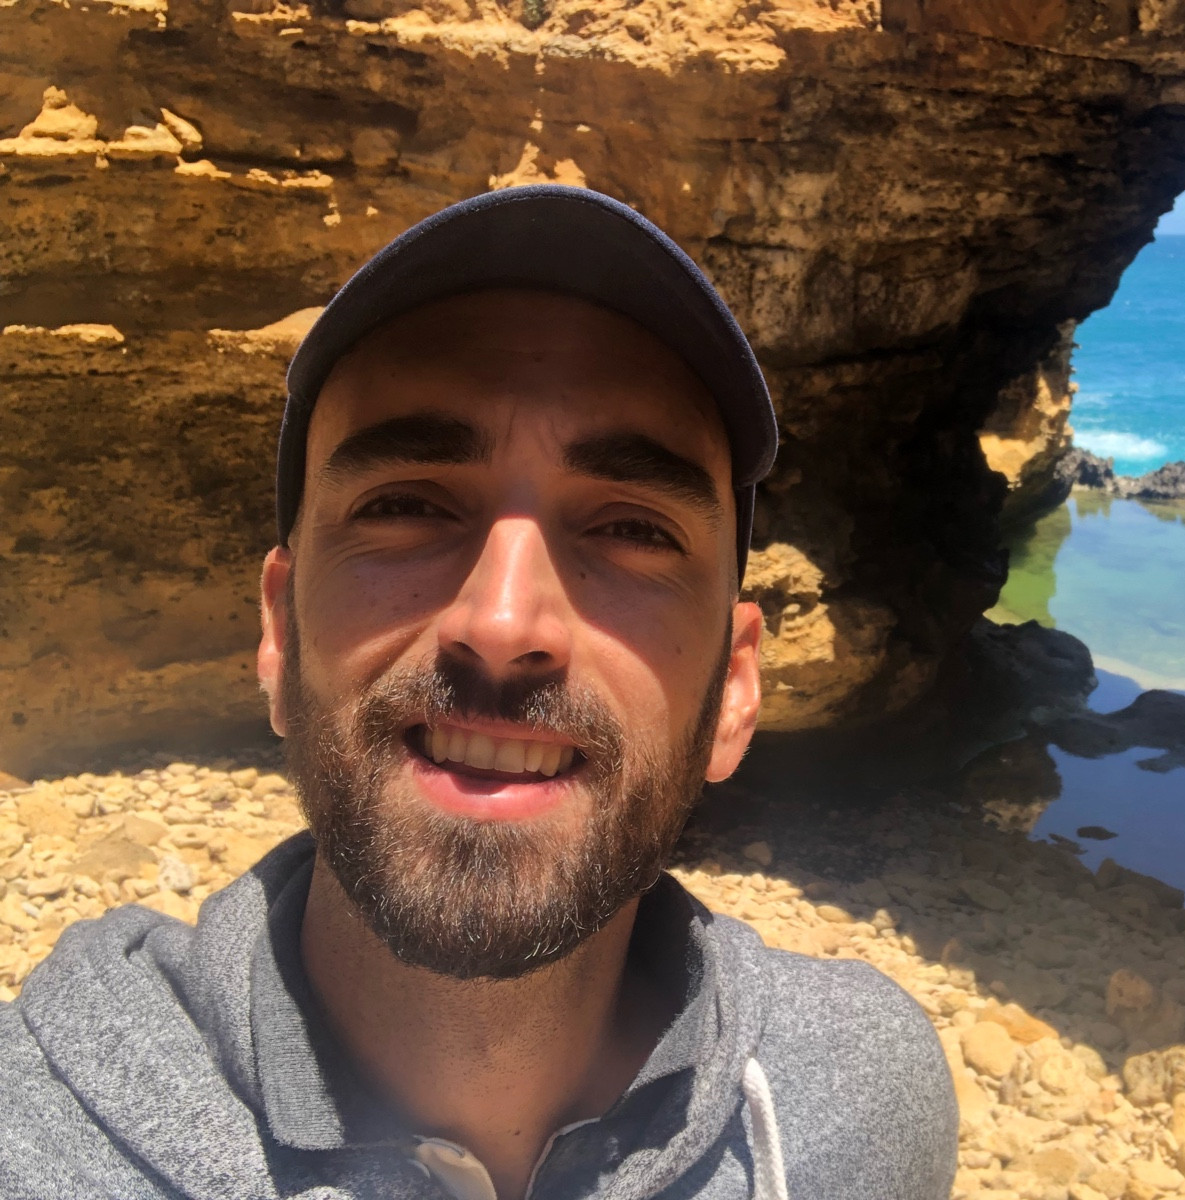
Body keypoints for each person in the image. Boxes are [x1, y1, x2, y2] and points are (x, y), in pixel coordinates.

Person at [0, 186, 959, 1199]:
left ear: (732, 690)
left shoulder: (856, 1111)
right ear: (280, 634)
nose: (502, 624)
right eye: (406, 504)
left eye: (632, 528)